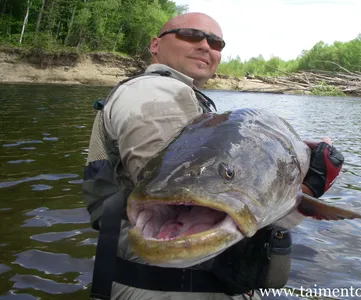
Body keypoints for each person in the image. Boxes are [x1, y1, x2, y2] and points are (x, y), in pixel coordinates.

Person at [82, 12, 344, 300]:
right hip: (169, 288)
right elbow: (182, 196)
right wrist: (307, 188)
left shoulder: (181, 96)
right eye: (191, 35)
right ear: (155, 45)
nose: (206, 45)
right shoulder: (156, 91)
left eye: (216, 42)